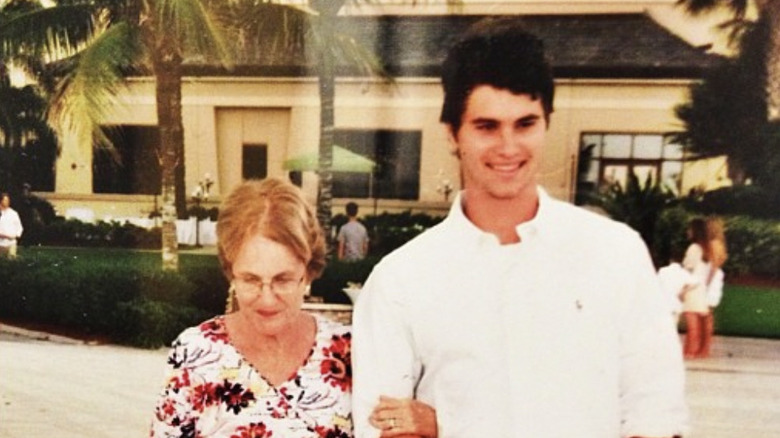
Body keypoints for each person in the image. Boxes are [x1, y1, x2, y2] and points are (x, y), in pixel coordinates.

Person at [352, 18, 687, 438]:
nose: (508, 148)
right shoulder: (402, 280)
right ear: (452, 134)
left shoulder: (614, 253)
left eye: (525, 124)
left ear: (547, 122)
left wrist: (448, 425)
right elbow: (380, 426)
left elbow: (655, 412)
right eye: (487, 126)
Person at [150, 178, 352, 437]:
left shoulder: (349, 352)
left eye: (283, 280)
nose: (267, 299)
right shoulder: (195, 354)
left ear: (309, 272)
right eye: (250, 279)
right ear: (230, 272)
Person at [680, 217, 727, 359]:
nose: (687, 231)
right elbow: (715, 267)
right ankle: (703, 350)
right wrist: (708, 284)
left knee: (692, 319)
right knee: (705, 317)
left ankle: (690, 351)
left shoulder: (694, 248)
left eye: (690, 229)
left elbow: (688, 268)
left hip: (693, 285)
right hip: (707, 285)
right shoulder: (714, 246)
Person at [0, 193, 24, 259]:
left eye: (8, 200)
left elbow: (19, 227)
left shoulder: (13, 213)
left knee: (11, 260)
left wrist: (15, 236)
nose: (7, 202)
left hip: (11, 243)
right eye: (5, 200)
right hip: (1, 243)